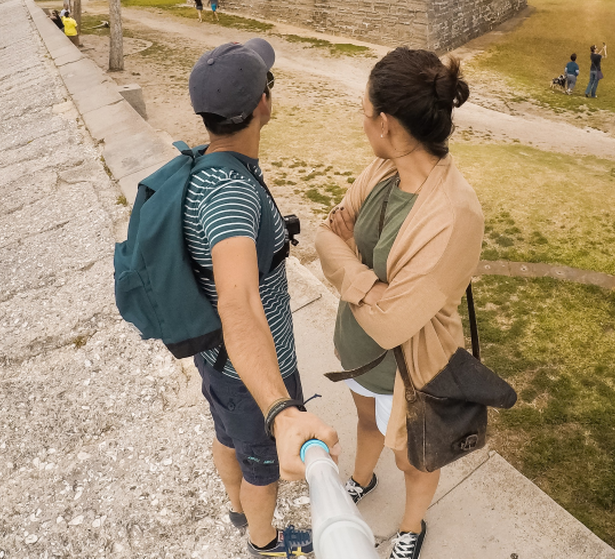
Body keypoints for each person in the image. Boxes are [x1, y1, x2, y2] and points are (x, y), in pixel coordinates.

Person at [316, 47, 484, 559]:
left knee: (414, 459)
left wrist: (348, 260)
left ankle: (412, 525)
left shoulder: (455, 215)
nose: (361, 120)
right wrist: (372, 285)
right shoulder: (383, 170)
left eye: (364, 111)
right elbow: (325, 234)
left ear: (385, 123)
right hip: (358, 351)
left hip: (410, 372)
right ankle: (362, 479)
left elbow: (392, 325)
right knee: (366, 423)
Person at [185, 39, 338, 557]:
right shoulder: (230, 194)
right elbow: (239, 303)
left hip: (216, 360)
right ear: (263, 105)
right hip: (252, 374)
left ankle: (236, 508)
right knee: (263, 468)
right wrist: (280, 410)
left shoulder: (207, 165)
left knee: (227, 436)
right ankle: (262, 539)